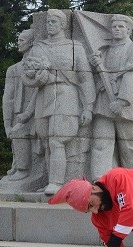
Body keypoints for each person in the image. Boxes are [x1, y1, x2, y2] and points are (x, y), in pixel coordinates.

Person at [23, 9, 95, 195]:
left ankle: (56, 182)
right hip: (44, 96)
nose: (49, 25)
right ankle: (51, 181)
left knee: (57, 141)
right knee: (47, 142)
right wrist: (38, 76)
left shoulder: (74, 47)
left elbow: (85, 78)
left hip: (66, 95)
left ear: (63, 24)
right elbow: (28, 77)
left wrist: (88, 107)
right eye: (48, 22)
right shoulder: (39, 47)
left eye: (54, 22)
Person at [88, 15, 133, 180]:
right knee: (101, 145)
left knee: (130, 149)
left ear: (128, 29)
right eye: (114, 27)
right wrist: (94, 65)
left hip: (126, 106)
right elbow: (92, 77)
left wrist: (122, 101)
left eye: (121, 27)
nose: (117, 29)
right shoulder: (103, 51)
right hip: (103, 104)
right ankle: (100, 184)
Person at [3, 29, 38, 181]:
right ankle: (19, 165)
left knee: (19, 133)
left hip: (38, 109)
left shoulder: (39, 65)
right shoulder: (13, 69)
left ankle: (24, 170)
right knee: (16, 137)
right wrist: (7, 122)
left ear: (31, 42)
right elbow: (8, 97)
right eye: (18, 39)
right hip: (19, 110)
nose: (18, 42)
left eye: (22, 40)